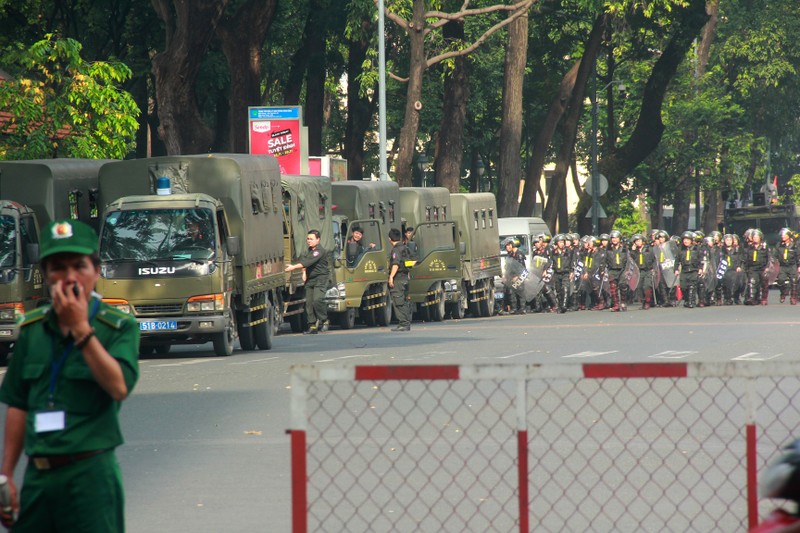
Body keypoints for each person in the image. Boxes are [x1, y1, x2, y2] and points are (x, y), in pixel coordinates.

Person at [0, 219, 140, 532]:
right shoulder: (32, 330)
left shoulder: (117, 328)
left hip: (90, 474)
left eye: (79, 266)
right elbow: (18, 404)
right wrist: (6, 474)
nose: (69, 277)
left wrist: (80, 329)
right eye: (58, 268)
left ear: (96, 271)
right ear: (46, 275)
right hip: (39, 476)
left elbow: (119, 387)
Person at [285, 230, 330, 333]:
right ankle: (312, 325)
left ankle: (324, 320)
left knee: (317, 300)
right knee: (308, 303)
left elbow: (307, 262)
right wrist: (304, 272)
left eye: (311, 239)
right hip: (310, 279)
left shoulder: (319, 251)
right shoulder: (309, 251)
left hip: (320, 278)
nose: (309, 241)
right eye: (308, 239)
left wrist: (292, 268)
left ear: (318, 240)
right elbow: (305, 263)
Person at [388, 228, 412, 331]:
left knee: (398, 301)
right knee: (404, 301)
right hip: (405, 277)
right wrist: (408, 273)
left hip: (398, 278)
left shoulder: (396, 250)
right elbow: (408, 263)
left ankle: (404, 323)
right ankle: (406, 323)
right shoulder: (405, 248)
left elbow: (396, 264)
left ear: (390, 239)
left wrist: (391, 277)